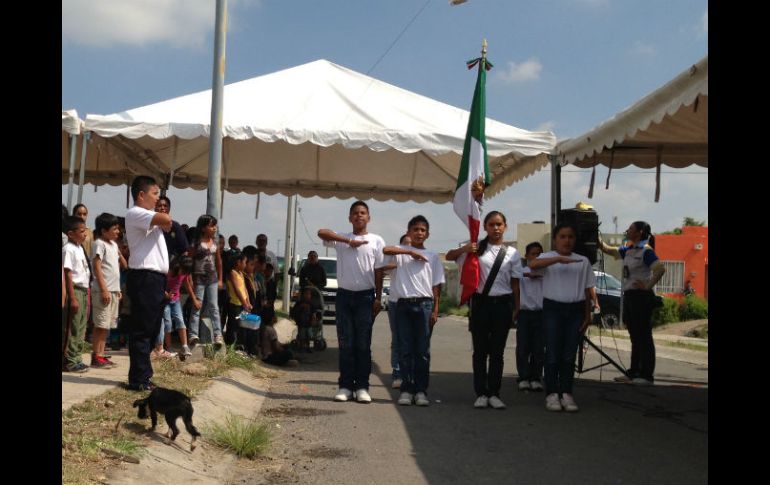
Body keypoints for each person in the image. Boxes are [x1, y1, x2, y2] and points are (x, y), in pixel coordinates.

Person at [446, 211, 521, 409]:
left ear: (505, 226)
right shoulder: (476, 249)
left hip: (503, 305)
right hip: (481, 304)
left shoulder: (512, 253)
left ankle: (494, 392)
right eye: (491, 225)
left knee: (497, 351)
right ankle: (480, 392)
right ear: (485, 227)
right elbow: (449, 256)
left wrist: (517, 307)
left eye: (499, 224)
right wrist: (465, 248)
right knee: (480, 351)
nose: (495, 228)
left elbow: (515, 283)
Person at [318, 200, 386, 404]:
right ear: (350, 218)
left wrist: (378, 297)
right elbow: (322, 232)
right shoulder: (342, 239)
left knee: (363, 344)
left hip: (366, 297)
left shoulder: (376, 240)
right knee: (346, 343)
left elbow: (379, 270)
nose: (359, 216)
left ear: (369, 217)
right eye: (355, 213)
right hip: (344, 296)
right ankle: (346, 386)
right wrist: (349, 242)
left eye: (363, 213)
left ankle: (363, 387)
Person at [528, 223, 595, 412]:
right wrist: (557, 259)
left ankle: (566, 392)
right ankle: (551, 393)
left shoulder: (582, 261)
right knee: (552, 353)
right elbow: (532, 265)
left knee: (568, 354)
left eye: (570, 237)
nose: (567, 240)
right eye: (562, 237)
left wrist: (587, 315)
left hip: (575, 310)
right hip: (553, 309)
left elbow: (587, 288)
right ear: (555, 239)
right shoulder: (547, 258)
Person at [384, 215, 445, 407]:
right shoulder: (401, 253)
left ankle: (420, 390)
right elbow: (385, 249)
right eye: (416, 229)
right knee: (405, 349)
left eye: (423, 230)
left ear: (427, 234)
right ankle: (406, 389)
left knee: (422, 351)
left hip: (425, 305)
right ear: (409, 232)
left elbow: (437, 286)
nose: (419, 233)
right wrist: (411, 253)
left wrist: (436, 309)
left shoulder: (433, 256)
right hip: (403, 305)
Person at [600, 221, 666, 386]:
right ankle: (633, 372)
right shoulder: (629, 249)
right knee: (635, 337)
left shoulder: (645, 250)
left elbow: (660, 269)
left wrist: (647, 286)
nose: (627, 230)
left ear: (640, 232)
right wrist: (595, 234)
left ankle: (646, 375)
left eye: (630, 228)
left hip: (641, 297)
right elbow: (608, 249)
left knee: (644, 337)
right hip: (629, 296)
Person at [124, 175, 172, 391]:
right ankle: (138, 379)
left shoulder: (147, 217)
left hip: (154, 278)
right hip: (144, 277)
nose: (157, 200)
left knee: (151, 329)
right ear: (141, 195)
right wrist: (164, 216)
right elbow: (167, 221)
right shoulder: (136, 213)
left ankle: (143, 375)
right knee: (142, 330)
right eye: (154, 194)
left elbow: (168, 225)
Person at [90, 212, 126, 368]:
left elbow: (123, 265)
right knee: (100, 325)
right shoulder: (99, 244)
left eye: (118, 229)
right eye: (115, 229)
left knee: (107, 326)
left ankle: (102, 353)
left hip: (113, 290)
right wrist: (104, 289)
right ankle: (96, 356)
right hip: (103, 290)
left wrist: (116, 289)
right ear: (104, 231)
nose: (118, 232)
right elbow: (97, 267)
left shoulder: (113, 245)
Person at [187, 215, 225, 348]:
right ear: (203, 228)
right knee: (197, 306)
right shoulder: (196, 244)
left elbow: (219, 262)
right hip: (199, 279)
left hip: (212, 279)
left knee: (214, 307)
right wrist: (190, 277)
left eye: (215, 225)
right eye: (211, 225)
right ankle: (193, 334)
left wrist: (220, 279)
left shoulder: (215, 243)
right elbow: (189, 262)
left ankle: (217, 334)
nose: (214, 228)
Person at [62, 215, 92, 373]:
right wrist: (72, 297)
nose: (84, 234)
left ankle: (77, 357)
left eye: (85, 230)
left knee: (81, 326)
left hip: (84, 290)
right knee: (72, 326)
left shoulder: (80, 248)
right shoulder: (68, 249)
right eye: (81, 231)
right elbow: (68, 273)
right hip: (74, 290)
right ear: (70, 234)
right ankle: (68, 360)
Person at [515, 242, 545, 392]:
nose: (536, 257)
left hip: (541, 313)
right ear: (526, 256)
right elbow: (516, 277)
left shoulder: (546, 273)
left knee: (538, 348)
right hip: (525, 313)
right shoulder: (521, 272)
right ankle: (523, 377)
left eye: (539, 254)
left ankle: (535, 377)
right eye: (533, 254)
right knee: (523, 347)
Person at [155, 255, 197, 360]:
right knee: (168, 323)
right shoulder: (169, 272)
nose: (183, 274)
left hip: (176, 300)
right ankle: (168, 348)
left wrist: (194, 299)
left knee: (180, 321)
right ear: (179, 266)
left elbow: (187, 285)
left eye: (186, 273)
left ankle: (184, 346)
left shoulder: (185, 273)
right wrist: (166, 295)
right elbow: (159, 285)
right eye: (183, 271)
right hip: (165, 300)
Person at [384, 234, 411, 389]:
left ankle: (410, 373)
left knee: (412, 340)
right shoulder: (394, 258)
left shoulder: (418, 257)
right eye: (404, 244)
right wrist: (397, 263)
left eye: (410, 244)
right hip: (396, 303)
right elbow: (381, 268)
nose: (408, 246)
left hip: (414, 303)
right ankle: (398, 373)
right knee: (398, 339)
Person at [291, 288, 323, 353]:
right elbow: (294, 311)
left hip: (309, 323)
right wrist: (301, 307)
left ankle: (307, 347)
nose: (307, 296)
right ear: (303, 295)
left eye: (309, 294)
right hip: (301, 323)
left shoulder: (311, 304)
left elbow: (314, 312)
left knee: (308, 336)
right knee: (302, 335)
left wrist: (315, 319)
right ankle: (302, 346)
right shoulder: (299, 303)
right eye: (306, 294)